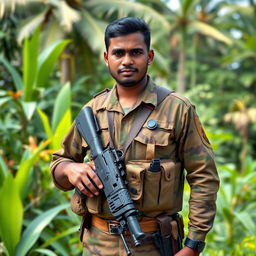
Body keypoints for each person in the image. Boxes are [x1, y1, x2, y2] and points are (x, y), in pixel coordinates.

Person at [50, 17, 219, 256]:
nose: (127, 60)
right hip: (97, 244)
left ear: (149, 57)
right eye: (118, 53)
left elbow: (204, 177)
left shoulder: (178, 109)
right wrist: (70, 170)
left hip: (154, 244)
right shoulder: (93, 110)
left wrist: (193, 245)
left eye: (136, 52)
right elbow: (59, 163)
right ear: (106, 57)